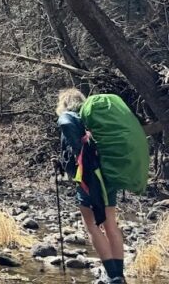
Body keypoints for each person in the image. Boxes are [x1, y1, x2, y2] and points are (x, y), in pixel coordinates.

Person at [56, 88, 127, 284]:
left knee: (92, 226)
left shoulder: (70, 122)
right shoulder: (94, 121)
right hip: (108, 176)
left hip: (88, 180)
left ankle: (112, 275)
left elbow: (74, 155)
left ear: (64, 104)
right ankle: (118, 276)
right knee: (110, 223)